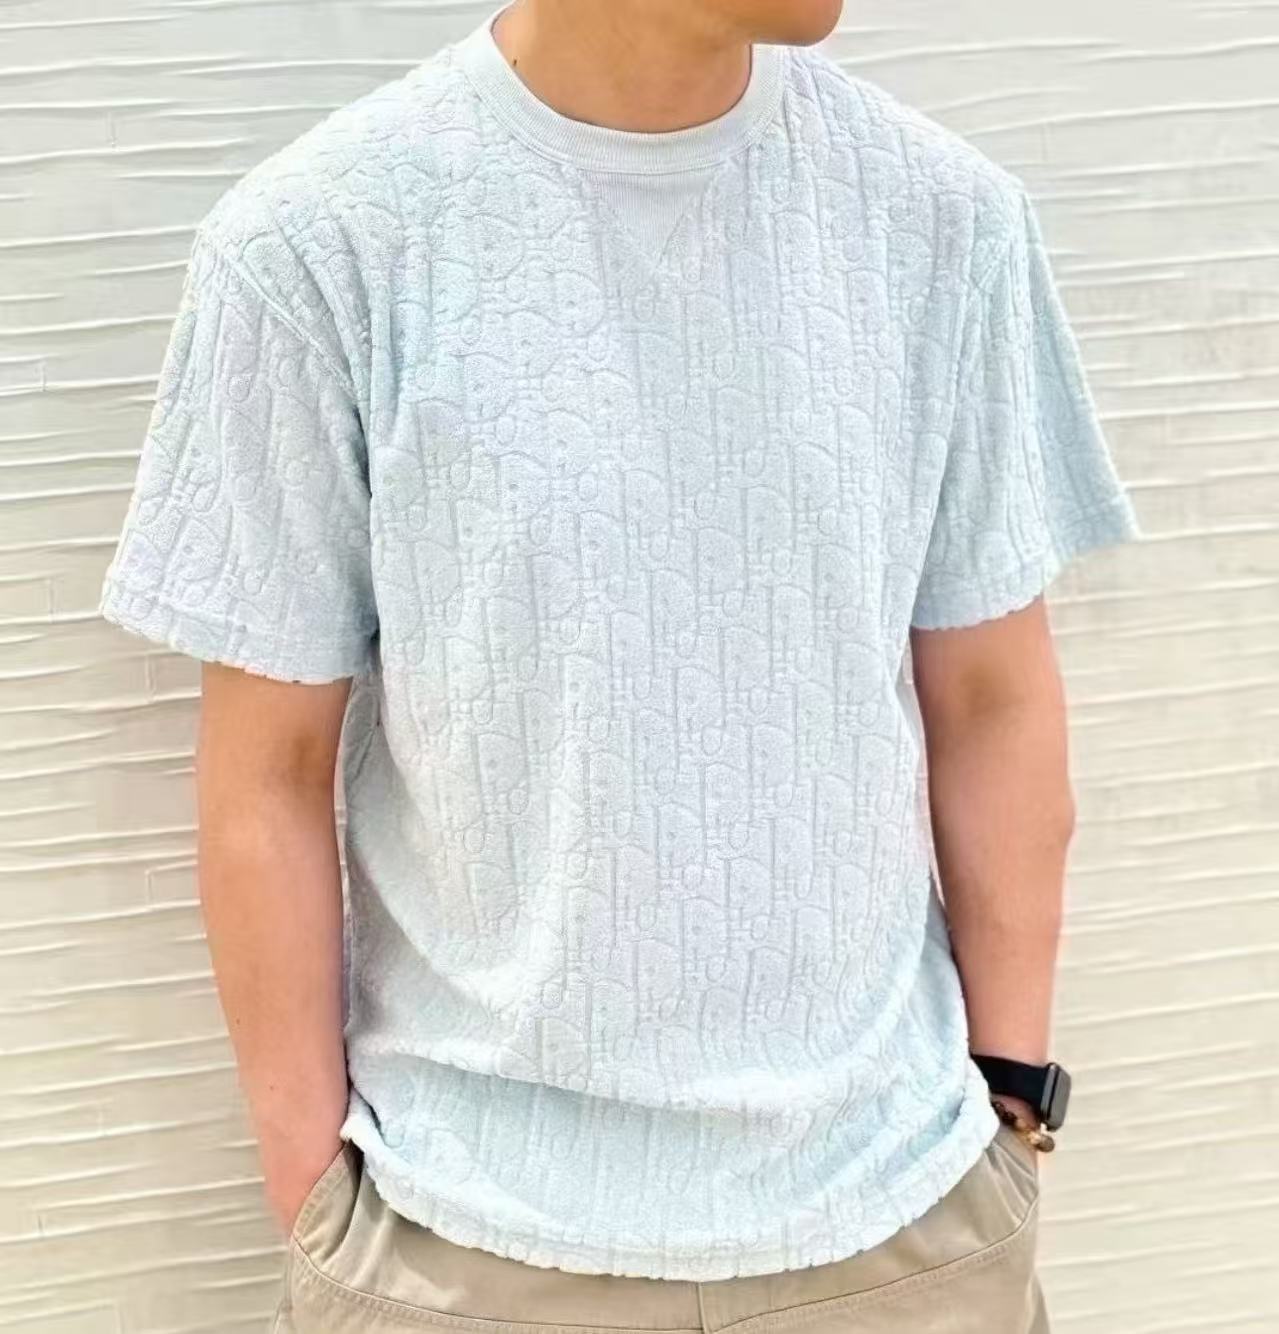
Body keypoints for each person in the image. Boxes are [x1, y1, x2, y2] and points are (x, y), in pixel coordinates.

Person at [98, 1, 1142, 1330]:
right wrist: (320, 1205)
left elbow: (993, 700)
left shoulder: (943, 222)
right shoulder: (319, 245)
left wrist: (1013, 1104)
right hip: (464, 1244)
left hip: (905, 1232)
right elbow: (266, 774)